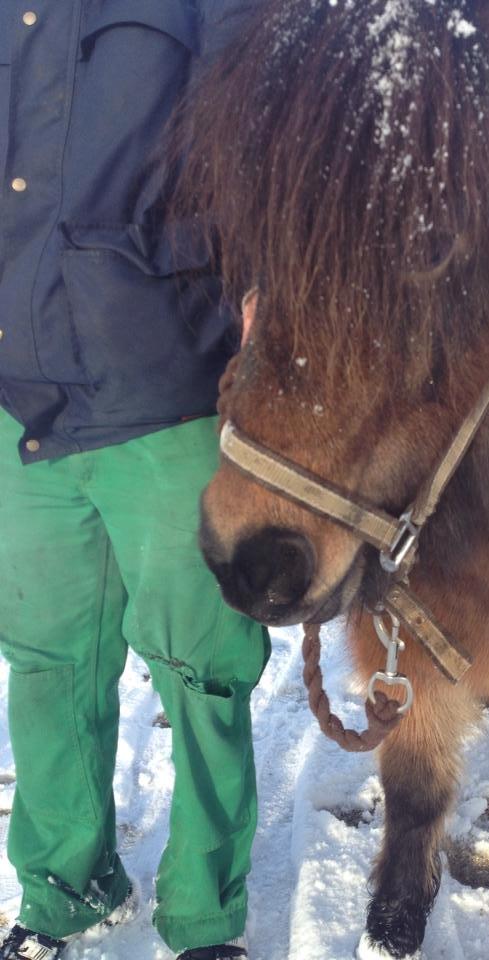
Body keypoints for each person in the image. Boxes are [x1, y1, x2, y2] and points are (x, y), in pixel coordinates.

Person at [0, 3, 268, 958]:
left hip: (164, 383)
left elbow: (267, 135)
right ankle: (65, 890)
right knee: (46, 666)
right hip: (17, 403)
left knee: (201, 667)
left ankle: (203, 918)